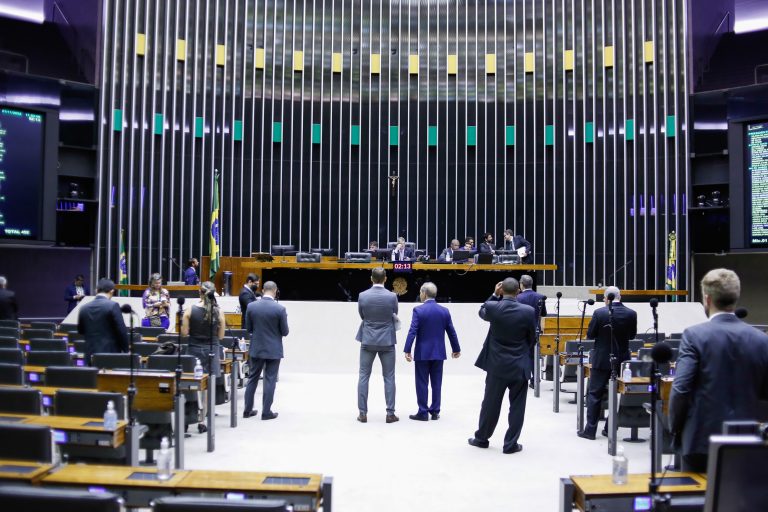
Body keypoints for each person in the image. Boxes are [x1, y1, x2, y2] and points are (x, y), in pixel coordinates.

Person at [670, 269, 768, 472]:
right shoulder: (761, 339)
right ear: (736, 296)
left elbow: (681, 389)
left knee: (695, 501)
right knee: (741, 500)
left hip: (700, 439)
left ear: (707, 299)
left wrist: (675, 428)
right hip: (748, 438)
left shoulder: (694, 335)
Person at [468, 278, 537, 454]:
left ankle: (482, 438)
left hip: (496, 365)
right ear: (518, 291)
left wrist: (493, 294)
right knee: (517, 407)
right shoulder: (528, 311)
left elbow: (481, 311)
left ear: (501, 290)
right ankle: (510, 444)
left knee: (490, 404)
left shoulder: (493, 307)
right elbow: (533, 339)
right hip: (519, 365)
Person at [577, 286, 637, 440]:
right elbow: (631, 336)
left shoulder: (599, 313)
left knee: (595, 394)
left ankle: (590, 431)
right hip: (622, 360)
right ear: (620, 297)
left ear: (606, 298)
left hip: (601, 360)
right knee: (618, 395)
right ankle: (610, 428)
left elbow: (590, 334)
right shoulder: (631, 313)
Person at [403, 282, 461, 421]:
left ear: (424, 293)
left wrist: (407, 349)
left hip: (422, 352)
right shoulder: (444, 311)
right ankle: (435, 411)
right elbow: (451, 331)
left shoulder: (418, 310)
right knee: (437, 383)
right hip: (439, 352)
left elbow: (413, 331)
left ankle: (423, 412)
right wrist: (456, 348)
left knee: (422, 382)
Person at [356, 267, 399, 423]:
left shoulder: (362, 296)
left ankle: (362, 413)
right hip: (387, 340)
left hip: (368, 339)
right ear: (385, 279)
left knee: (363, 376)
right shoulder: (392, 296)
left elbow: (362, 315)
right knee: (389, 377)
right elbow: (394, 314)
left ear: (371, 278)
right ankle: (390, 413)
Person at [181, 280, 225, 433]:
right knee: (207, 388)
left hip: (193, 351)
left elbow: (184, 333)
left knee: (189, 386)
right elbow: (220, 336)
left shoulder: (189, 311)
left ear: (199, 292)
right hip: (211, 351)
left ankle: (186, 418)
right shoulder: (218, 311)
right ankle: (202, 420)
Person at [243, 281, 288, 420]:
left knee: (252, 378)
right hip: (273, 349)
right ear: (275, 291)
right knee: (270, 380)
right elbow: (285, 331)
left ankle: (247, 410)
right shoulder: (280, 309)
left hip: (256, 347)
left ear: (263, 290)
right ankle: (266, 411)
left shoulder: (251, 306)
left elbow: (249, 329)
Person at [77, 278, 129, 364]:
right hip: (110, 355)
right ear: (112, 291)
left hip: (89, 354)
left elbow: (81, 331)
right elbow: (121, 331)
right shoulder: (113, 306)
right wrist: (126, 350)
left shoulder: (83, 308)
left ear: (96, 290)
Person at [516, 274, 547, 388]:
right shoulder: (540, 297)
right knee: (534, 356)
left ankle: (524, 377)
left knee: (522, 355)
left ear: (522, 284)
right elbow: (543, 313)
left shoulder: (518, 298)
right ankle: (535, 380)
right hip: (535, 330)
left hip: (521, 331)